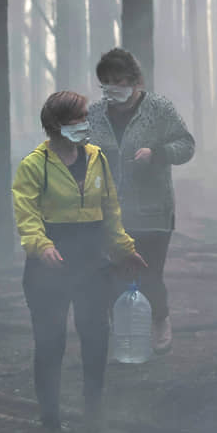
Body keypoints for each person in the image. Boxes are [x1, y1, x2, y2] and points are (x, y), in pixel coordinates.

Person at [12, 91, 147, 431]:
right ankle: (50, 421)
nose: (86, 125)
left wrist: (124, 247)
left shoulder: (97, 158)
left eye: (87, 118)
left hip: (91, 263)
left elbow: (110, 211)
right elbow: (26, 216)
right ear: (57, 125)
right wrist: (41, 246)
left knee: (95, 336)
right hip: (49, 267)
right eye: (79, 119)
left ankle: (93, 415)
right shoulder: (34, 165)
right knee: (50, 341)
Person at [88, 48, 196, 355]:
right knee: (112, 277)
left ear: (135, 81)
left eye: (118, 81)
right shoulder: (94, 114)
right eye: (105, 82)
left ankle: (159, 321)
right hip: (109, 212)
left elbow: (186, 145)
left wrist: (158, 154)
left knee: (148, 275)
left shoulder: (158, 109)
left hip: (152, 211)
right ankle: (122, 336)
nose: (112, 88)